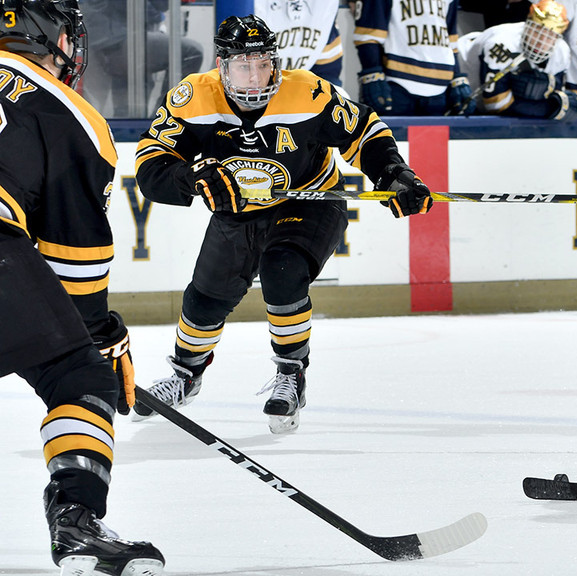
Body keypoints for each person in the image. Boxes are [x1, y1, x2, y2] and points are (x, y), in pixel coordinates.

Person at [132, 14, 435, 433]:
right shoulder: (192, 97)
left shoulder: (307, 93)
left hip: (309, 202)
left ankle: (291, 373)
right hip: (237, 212)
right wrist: (195, 178)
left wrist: (393, 174)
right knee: (203, 300)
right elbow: (151, 166)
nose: (255, 76)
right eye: (243, 64)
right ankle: (186, 374)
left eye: (263, 63)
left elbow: (364, 130)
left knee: (283, 270)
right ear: (222, 65)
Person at [0, 0, 164, 573]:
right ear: (54, 38)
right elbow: (76, 264)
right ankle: (75, 523)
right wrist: (97, 336)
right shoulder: (64, 108)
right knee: (75, 374)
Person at [456, 0, 577, 119]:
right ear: (527, 24)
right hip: (465, 71)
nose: (541, 42)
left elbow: (554, 95)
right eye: (537, 31)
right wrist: (549, 109)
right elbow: (495, 104)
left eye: (549, 37)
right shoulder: (501, 42)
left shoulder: (561, 52)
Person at [79, 0, 204, 117]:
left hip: (112, 36)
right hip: (114, 39)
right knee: (192, 52)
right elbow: (153, 6)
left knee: (131, 101)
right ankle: (165, 119)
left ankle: (136, 126)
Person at [352, 0, 474, 115]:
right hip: (397, 84)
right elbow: (368, 34)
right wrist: (372, 71)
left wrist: (457, 78)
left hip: (441, 86)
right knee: (388, 136)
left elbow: (450, 39)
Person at [253, 0, 346, 89]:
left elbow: (328, 73)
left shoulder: (324, 5)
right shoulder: (248, 5)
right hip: (258, 90)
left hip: (301, 89)